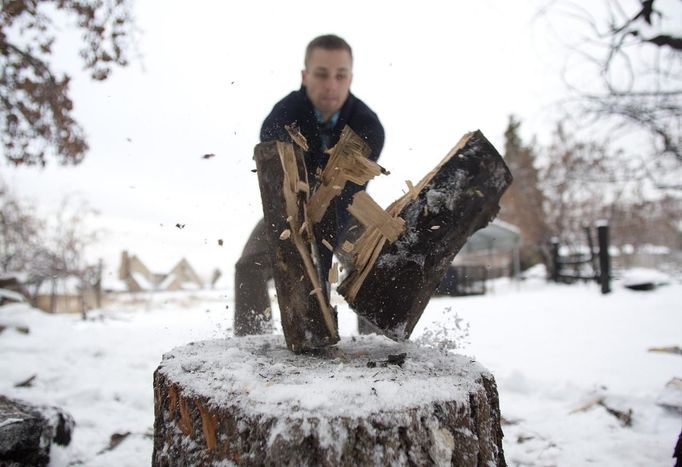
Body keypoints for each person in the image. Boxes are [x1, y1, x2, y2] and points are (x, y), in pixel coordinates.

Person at [234, 34, 385, 336]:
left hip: (347, 208)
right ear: (305, 76)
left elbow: (348, 194)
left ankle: (380, 347)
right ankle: (250, 343)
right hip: (292, 210)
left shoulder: (368, 126)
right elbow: (280, 191)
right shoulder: (280, 120)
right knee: (248, 265)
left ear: (350, 78)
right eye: (321, 74)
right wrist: (302, 240)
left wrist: (321, 248)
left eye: (340, 76)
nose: (331, 85)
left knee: (377, 265)